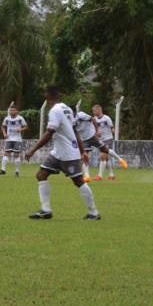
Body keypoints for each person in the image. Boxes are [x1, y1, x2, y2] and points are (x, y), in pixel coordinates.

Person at [25, 86, 100, 220]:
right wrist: (82, 151)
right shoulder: (66, 108)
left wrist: (33, 149)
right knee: (41, 174)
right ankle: (45, 210)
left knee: (78, 181)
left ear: (47, 94)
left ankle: (94, 212)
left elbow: (49, 133)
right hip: (58, 152)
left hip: (68, 153)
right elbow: (75, 130)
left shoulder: (54, 110)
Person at [74, 108, 128, 183]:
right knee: (85, 157)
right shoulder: (69, 120)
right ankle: (87, 176)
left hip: (93, 136)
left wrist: (97, 130)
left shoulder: (81, 115)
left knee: (105, 151)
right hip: (83, 139)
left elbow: (92, 119)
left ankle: (120, 160)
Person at [0, 107, 28, 177]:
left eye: (13, 110)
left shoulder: (20, 118)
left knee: (16, 155)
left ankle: (17, 171)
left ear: (16, 111)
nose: (12, 111)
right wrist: (4, 134)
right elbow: (3, 126)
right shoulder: (7, 118)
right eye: (11, 110)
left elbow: (26, 126)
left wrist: (21, 129)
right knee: (6, 154)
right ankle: (3, 170)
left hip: (17, 139)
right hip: (9, 139)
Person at [92, 105, 116, 180]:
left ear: (99, 110)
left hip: (108, 139)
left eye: (95, 111)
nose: (93, 112)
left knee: (102, 156)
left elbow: (112, 127)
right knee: (106, 158)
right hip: (100, 140)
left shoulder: (106, 118)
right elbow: (93, 129)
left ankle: (100, 176)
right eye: (93, 111)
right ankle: (111, 175)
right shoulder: (94, 119)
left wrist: (113, 131)